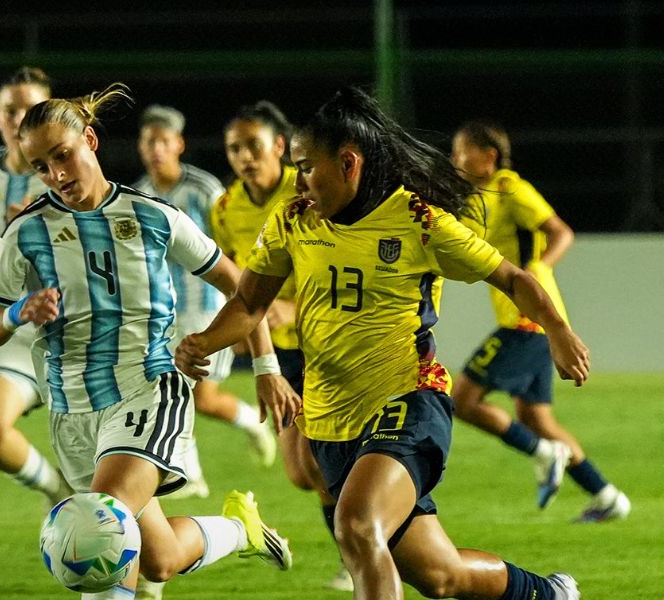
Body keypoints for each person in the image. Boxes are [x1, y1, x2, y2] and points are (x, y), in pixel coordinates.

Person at [176, 87, 587, 600]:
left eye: (307, 167)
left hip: (406, 400)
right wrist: (205, 341)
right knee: (439, 576)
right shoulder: (292, 219)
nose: (299, 181)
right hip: (329, 417)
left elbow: (512, 277)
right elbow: (250, 303)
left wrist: (559, 331)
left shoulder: (417, 220)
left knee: (356, 524)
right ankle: (547, 593)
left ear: (348, 163)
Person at [0, 84, 296, 600]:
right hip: (71, 410)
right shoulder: (27, 232)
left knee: (96, 532)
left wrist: (266, 369)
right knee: (159, 560)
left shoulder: (153, 216)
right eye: (41, 166)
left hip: (147, 386)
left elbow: (242, 289)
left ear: (91, 143)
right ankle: (240, 530)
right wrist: (17, 312)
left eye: (64, 156)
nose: (57, 175)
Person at [450, 120, 631, 521]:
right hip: (526, 317)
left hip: (527, 318)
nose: (455, 158)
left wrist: (535, 269)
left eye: (462, 150)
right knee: (535, 417)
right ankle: (606, 497)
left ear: (489, 156)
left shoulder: (509, 188)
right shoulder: (477, 198)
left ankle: (544, 453)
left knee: (462, 400)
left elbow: (560, 232)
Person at [213, 100, 353, 592]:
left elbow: (333, 262)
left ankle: (364, 550)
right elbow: (237, 281)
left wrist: (292, 308)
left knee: (320, 459)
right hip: (279, 353)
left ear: (278, 145)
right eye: (234, 148)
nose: (244, 156)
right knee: (299, 470)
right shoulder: (227, 207)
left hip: (324, 343)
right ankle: (363, 544)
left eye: (253, 145)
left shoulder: (305, 193)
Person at [133, 104, 277, 501]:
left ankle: (195, 470)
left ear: (179, 144)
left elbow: (229, 249)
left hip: (208, 308)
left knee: (194, 396)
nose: (156, 149)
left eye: (164, 141)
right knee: (184, 394)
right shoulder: (139, 195)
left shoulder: (204, 189)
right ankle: (207, 458)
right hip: (163, 312)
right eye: (149, 142)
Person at [0, 66, 72, 508]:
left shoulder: (69, 172)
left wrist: (39, 227)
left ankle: (149, 564)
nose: (18, 116)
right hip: (19, 321)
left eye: (30, 107)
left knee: (111, 470)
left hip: (78, 327)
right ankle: (55, 490)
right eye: (10, 109)